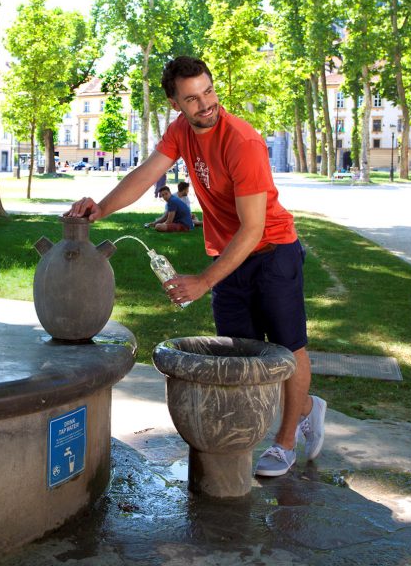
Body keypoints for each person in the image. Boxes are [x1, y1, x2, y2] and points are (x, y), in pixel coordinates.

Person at [67, 56, 324, 478]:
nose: (205, 103)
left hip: (272, 250)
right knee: (244, 356)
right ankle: (307, 406)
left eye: (208, 91)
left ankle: (285, 440)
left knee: (287, 349)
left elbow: (253, 227)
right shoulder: (180, 132)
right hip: (228, 255)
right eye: (192, 98)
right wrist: (103, 208)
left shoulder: (243, 142)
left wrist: (204, 281)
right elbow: (145, 173)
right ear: (175, 104)